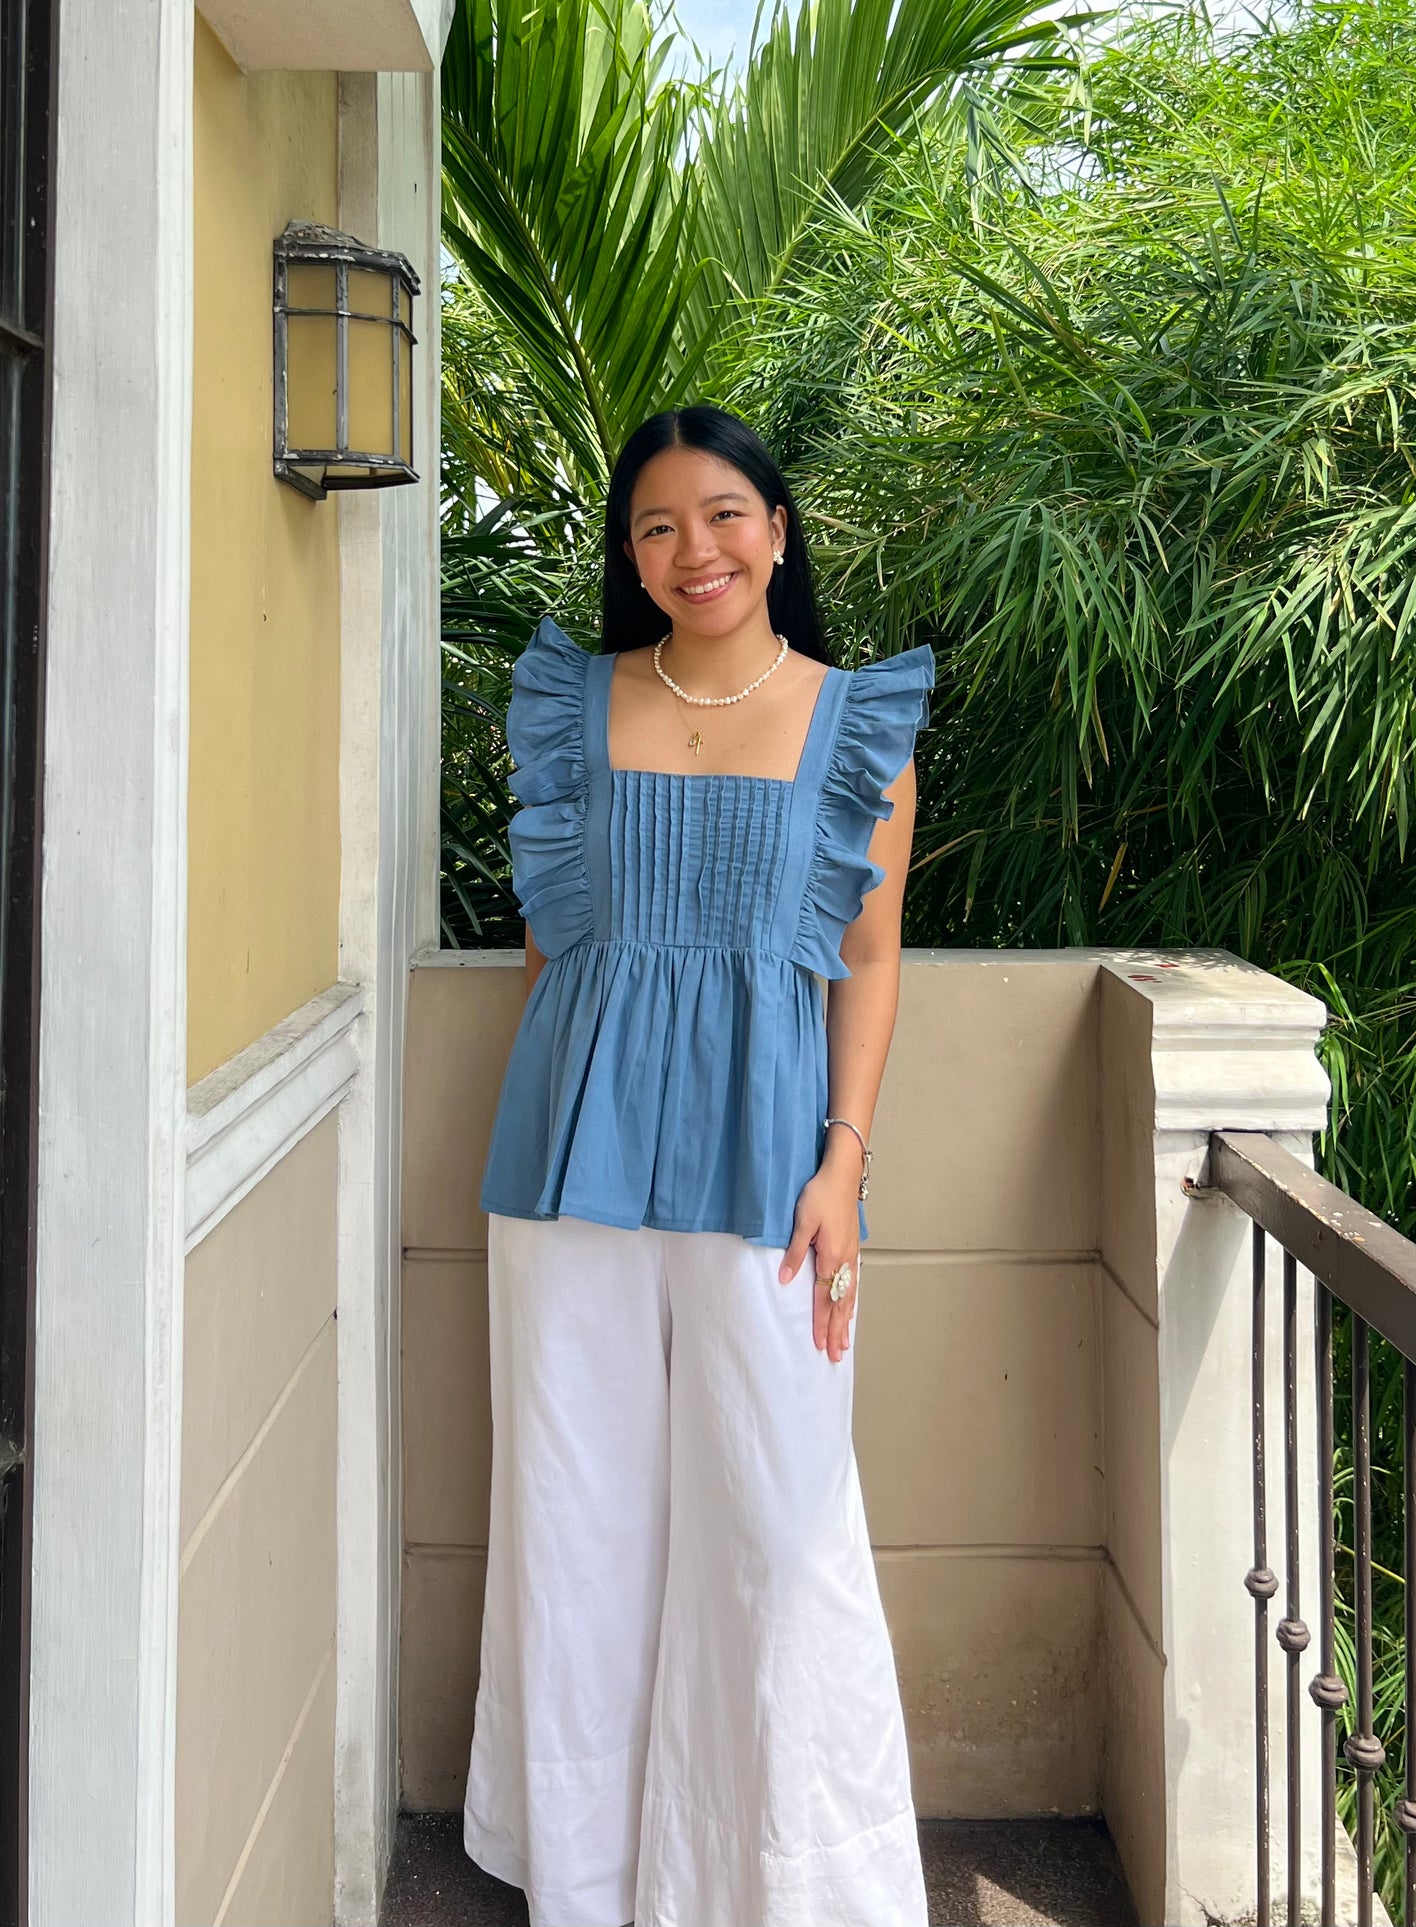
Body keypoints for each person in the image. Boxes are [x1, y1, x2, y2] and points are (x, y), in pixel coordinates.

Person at [463, 403, 935, 1927]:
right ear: (631, 553)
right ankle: (590, 1880)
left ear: (777, 532)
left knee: (775, 1511)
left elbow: (866, 965)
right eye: (657, 525)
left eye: (723, 515)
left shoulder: (854, 722)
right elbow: (554, 950)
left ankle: (794, 1887)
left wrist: (841, 1164)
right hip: (566, 1156)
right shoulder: (568, 704)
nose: (693, 549)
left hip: (767, 1166)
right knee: (577, 1510)